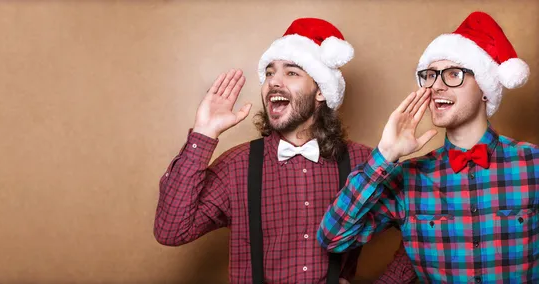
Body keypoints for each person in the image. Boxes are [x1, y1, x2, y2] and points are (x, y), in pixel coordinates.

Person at [154, 17, 412, 283]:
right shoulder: (237, 165)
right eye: (269, 73)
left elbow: (424, 229)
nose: (273, 82)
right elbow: (170, 231)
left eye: (291, 72)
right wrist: (203, 133)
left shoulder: (364, 163)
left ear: (321, 91)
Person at [317, 11, 536, 283]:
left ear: (485, 88)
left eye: (453, 74)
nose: (436, 86)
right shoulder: (410, 176)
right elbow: (333, 237)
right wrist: (385, 156)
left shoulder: (533, 164)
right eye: (430, 75)